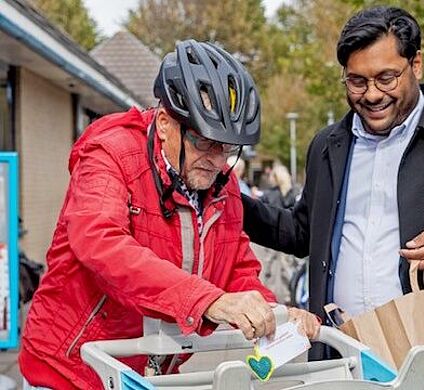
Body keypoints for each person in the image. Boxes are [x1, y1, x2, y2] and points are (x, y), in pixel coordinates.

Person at [242, 6, 424, 388]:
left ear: (416, 64)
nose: (371, 95)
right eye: (356, 82)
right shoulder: (327, 146)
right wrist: (232, 203)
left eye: (386, 78)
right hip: (342, 357)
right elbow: (304, 233)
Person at [18, 39, 319, 390]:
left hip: (146, 374)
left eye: (229, 148)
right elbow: (100, 241)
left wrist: (275, 316)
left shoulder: (221, 181)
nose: (218, 160)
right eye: (205, 142)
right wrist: (208, 299)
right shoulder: (110, 155)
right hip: (72, 372)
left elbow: (235, 268)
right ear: (164, 123)